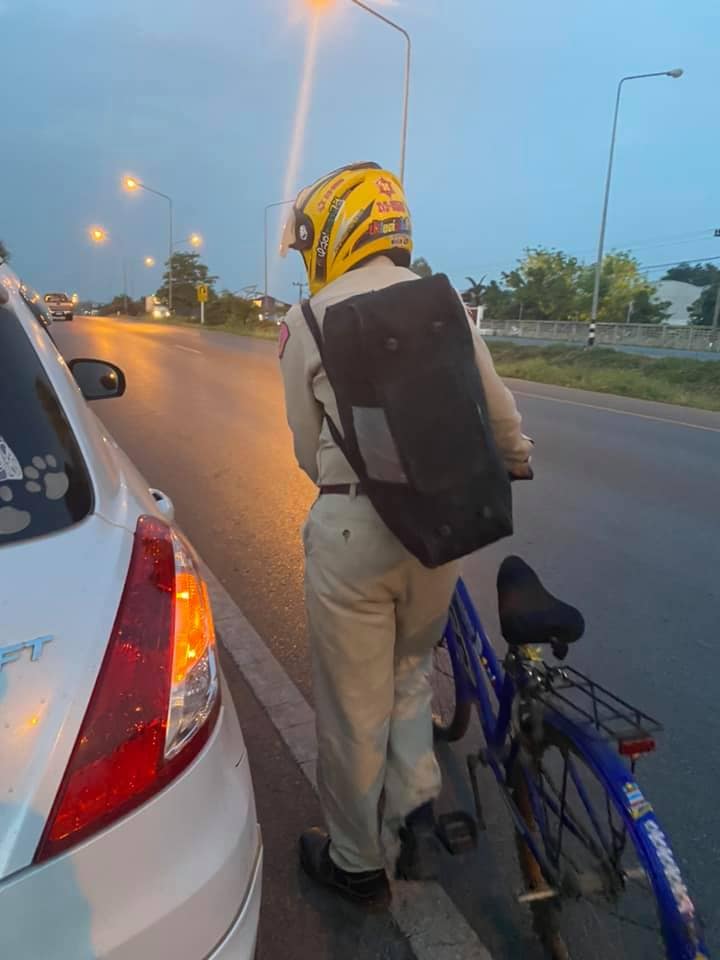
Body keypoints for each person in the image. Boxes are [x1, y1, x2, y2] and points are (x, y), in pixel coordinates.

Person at [279, 162, 532, 905]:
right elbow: (496, 408)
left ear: (333, 231)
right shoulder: (441, 298)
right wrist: (517, 459)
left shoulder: (308, 317)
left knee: (352, 705)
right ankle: (417, 807)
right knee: (409, 671)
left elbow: (303, 444)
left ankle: (357, 862)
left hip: (354, 532)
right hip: (439, 524)